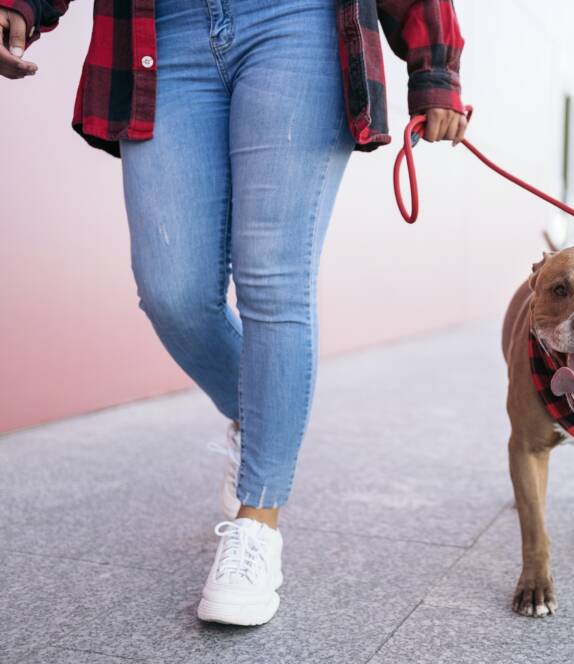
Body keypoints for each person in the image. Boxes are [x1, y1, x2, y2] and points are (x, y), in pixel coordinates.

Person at [0, 0, 466, 626]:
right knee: (173, 291)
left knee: (274, 280)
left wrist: (435, 68)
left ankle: (258, 524)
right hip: (161, 27)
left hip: (296, 23)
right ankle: (259, 414)